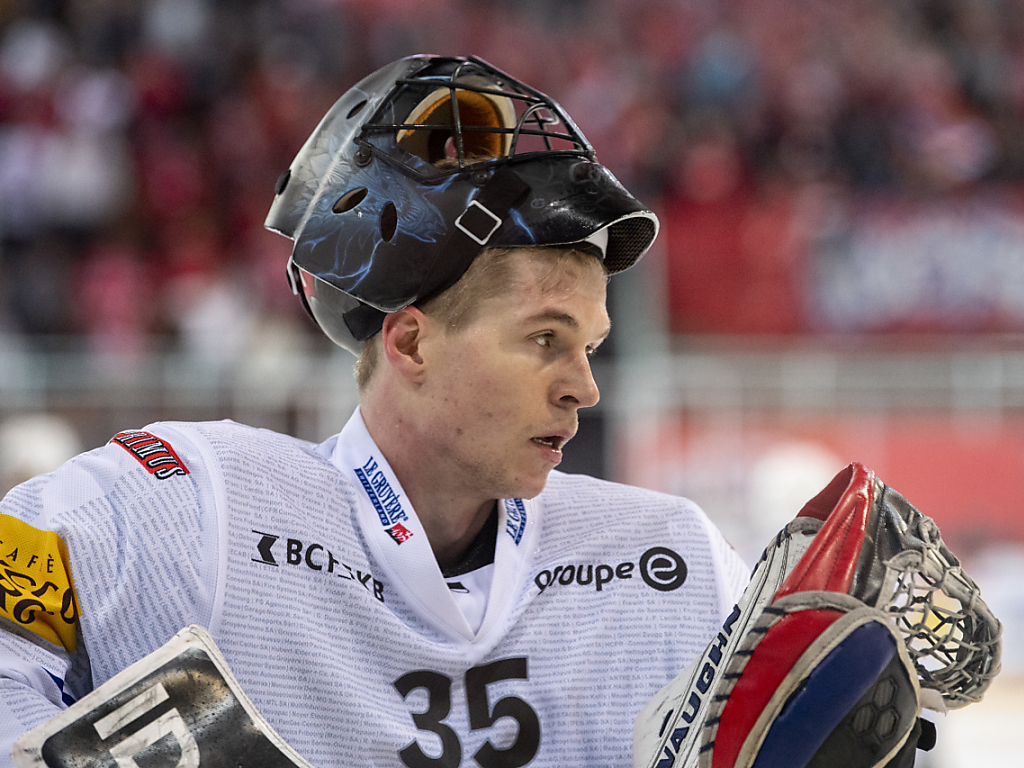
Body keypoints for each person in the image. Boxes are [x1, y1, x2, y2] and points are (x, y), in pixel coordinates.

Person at [0, 55, 749, 767]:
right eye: (545, 339)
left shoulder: (674, 562)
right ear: (412, 343)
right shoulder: (194, 507)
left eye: (590, 346)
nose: (584, 387)